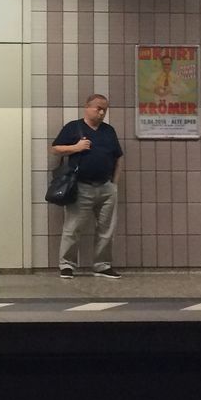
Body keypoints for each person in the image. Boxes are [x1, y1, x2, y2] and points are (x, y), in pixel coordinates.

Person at [51, 93, 124, 279]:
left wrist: (114, 183)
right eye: (98, 108)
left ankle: (102, 265)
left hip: (106, 187)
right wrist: (76, 147)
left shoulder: (109, 131)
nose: (101, 112)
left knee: (106, 229)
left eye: (104, 110)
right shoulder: (73, 128)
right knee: (73, 227)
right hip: (81, 186)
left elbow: (118, 157)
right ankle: (66, 265)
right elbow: (55, 149)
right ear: (87, 107)